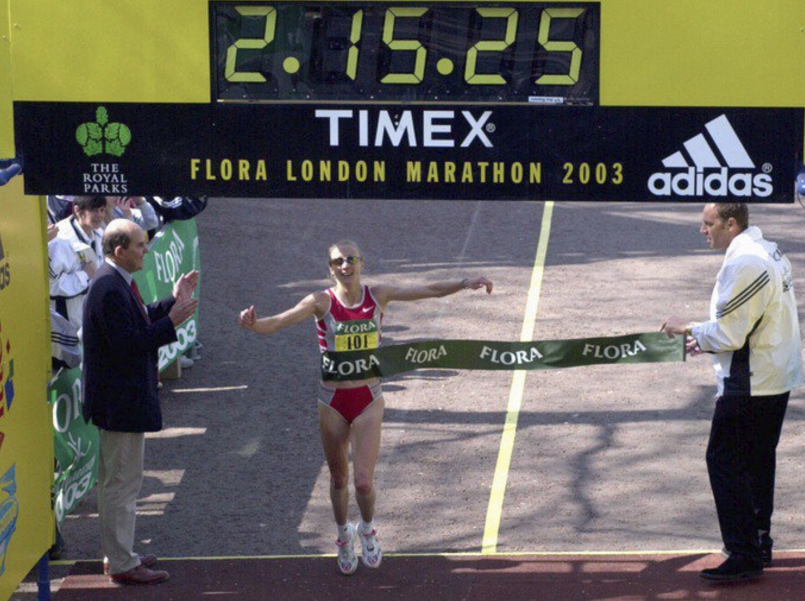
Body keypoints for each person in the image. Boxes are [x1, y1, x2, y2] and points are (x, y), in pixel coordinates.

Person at [239, 240, 492, 575]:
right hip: (332, 401)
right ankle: (344, 535)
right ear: (330, 269)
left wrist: (464, 283)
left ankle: (368, 530)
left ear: (361, 264)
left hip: (368, 399)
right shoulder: (320, 302)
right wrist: (254, 324)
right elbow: (278, 322)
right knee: (339, 479)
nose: (345, 266)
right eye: (338, 261)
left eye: (351, 259)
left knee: (363, 482)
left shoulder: (378, 296)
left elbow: (428, 290)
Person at [661, 203, 803, 583]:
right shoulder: (767, 250)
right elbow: (749, 323)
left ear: (731, 223)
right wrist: (707, 340)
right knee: (757, 460)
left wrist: (689, 328)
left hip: (752, 382)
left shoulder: (745, 263)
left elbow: (731, 333)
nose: (702, 230)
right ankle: (758, 543)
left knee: (723, 460)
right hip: (772, 375)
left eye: (708, 224)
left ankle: (743, 553)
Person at [82, 219, 198, 585]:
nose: (146, 250)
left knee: (120, 482)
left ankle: (119, 554)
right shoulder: (109, 288)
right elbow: (127, 345)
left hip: (120, 402)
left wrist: (172, 302)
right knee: (121, 484)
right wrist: (171, 322)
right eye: (140, 245)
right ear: (119, 251)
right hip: (119, 404)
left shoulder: (113, 281)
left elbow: (139, 318)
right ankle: (121, 562)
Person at [50, 195, 107, 333]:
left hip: (91, 316)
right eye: (93, 210)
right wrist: (85, 276)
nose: (99, 215)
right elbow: (51, 286)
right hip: (67, 327)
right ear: (77, 210)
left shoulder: (100, 232)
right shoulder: (59, 241)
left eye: (102, 210)